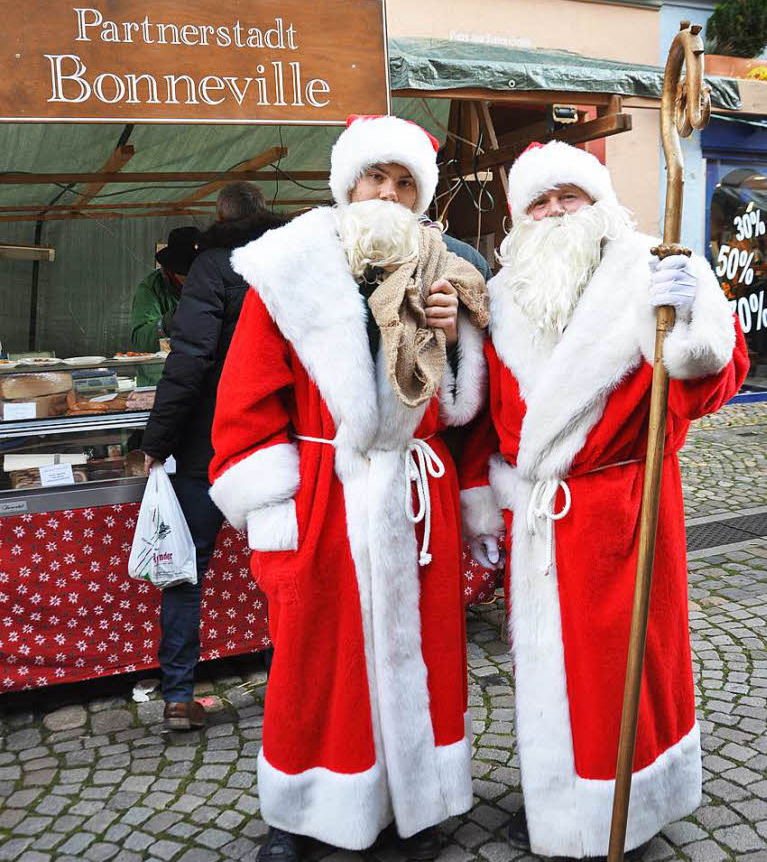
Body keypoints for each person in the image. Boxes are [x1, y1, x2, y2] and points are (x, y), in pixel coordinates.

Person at [209, 115, 489, 861]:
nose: (389, 195)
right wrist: (272, 514)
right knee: (313, 660)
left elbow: (461, 413)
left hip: (413, 496)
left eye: (405, 183)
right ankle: (301, 812)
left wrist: (453, 340)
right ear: (347, 184)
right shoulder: (287, 267)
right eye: (377, 177)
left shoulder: (448, 267)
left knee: (421, 659)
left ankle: (415, 803)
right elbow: (244, 402)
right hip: (323, 498)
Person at [459, 140, 748, 858]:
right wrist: (484, 492)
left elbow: (719, 374)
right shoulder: (503, 295)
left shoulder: (656, 267)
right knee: (546, 667)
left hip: (625, 502)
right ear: (520, 217)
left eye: (570, 197)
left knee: (622, 663)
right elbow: (489, 410)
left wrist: (681, 328)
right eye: (539, 202)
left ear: (597, 203)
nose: (555, 213)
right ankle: (557, 801)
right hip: (538, 513)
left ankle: (630, 801)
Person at [141, 183, 284, 731]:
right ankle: (286, 682)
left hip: (208, 444)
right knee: (279, 567)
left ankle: (179, 695)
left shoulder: (211, 267)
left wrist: (156, 441)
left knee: (186, 570)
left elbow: (190, 361)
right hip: (274, 443)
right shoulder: (285, 263)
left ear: (220, 218)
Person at [130, 225, 202, 352]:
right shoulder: (151, 289)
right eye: (187, 273)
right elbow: (139, 342)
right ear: (173, 268)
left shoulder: (214, 282)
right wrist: (169, 322)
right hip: (165, 368)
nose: (194, 278)